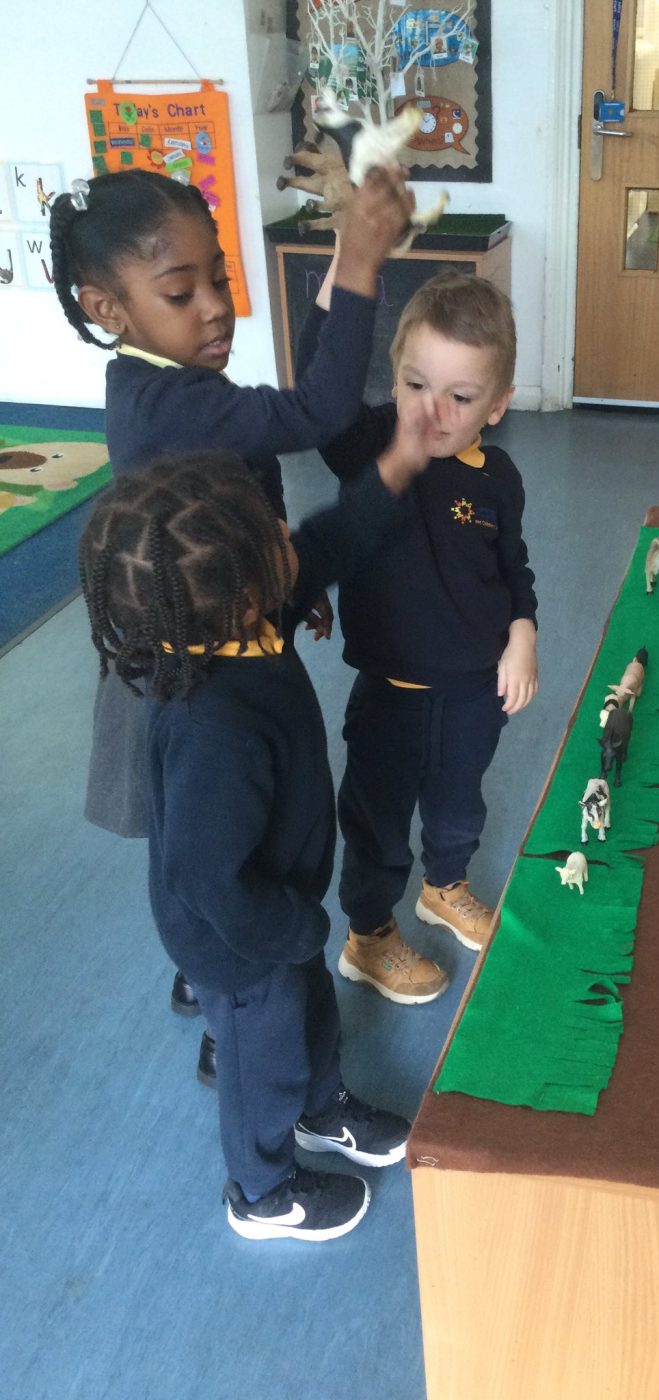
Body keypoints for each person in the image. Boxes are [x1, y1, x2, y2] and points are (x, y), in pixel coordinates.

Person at [49, 164, 413, 1046]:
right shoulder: (167, 404)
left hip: (229, 615)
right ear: (108, 308)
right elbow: (318, 409)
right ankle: (230, 1004)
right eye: (182, 292)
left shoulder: (170, 382)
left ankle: (210, 969)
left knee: (222, 831)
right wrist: (361, 259)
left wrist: (289, 584)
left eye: (219, 277)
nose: (216, 308)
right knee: (221, 839)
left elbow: (266, 451)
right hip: (197, 666)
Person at [77, 450, 430, 1240]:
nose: (283, 525)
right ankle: (263, 1190)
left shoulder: (242, 624)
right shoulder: (213, 726)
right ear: (241, 592)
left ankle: (321, 1108)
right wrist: (293, 929)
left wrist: (397, 464)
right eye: (268, 530)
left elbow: (327, 543)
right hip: (236, 938)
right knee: (259, 1059)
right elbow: (207, 878)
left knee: (309, 1009)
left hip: (276, 908)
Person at [298, 270, 538, 1005]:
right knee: (376, 822)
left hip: (473, 692)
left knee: (459, 804)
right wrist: (345, 265)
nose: (431, 412)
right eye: (414, 385)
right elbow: (318, 383)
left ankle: (444, 888)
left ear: (497, 405)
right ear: (394, 375)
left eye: (460, 397)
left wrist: (523, 632)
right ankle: (368, 937)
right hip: (391, 696)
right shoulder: (371, 443)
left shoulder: (498, 478)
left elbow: (514, 567)